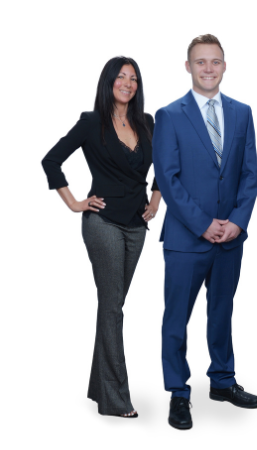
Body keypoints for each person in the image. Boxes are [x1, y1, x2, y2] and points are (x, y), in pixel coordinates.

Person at [41, 56, 161, 419]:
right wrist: (76, 203)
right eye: (121, 77)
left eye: (134, 79)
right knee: (113, 307)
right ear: (108, 81)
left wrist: (156, 200)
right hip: (103, 222)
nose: (128, 83)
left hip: (137, 225)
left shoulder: (148, 122)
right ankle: (116, 400)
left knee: (112, 306)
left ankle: (99, 386)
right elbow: (51, 161)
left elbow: (170, 165)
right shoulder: (91, 123)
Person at [153, 34, 257, 430]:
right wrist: (202, 224)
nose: (208, 68)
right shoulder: (169, 115)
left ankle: (222, 380)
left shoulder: (242, 112)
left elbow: (251, 173)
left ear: (225, 65)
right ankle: (179, 392)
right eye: (201, 62)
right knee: (176, 318)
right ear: (188, 67)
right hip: (186, 239)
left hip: (230, 238)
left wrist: (236, 221)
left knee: (222, 312)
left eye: (215, 61)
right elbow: (168, 177)